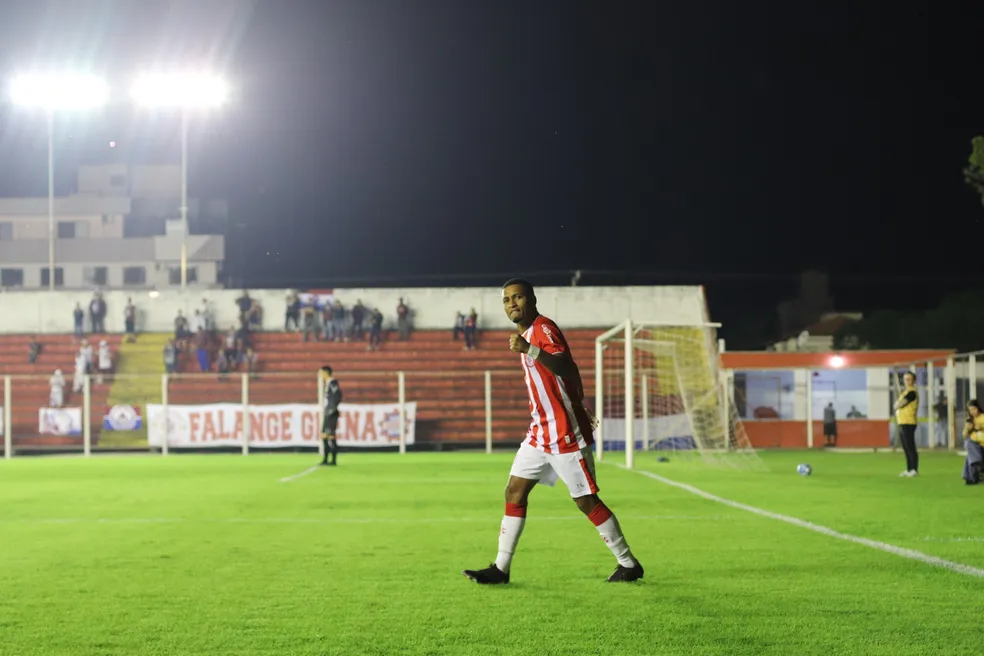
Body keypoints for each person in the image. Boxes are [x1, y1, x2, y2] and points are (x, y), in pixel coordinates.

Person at [462, 279, 643, 585]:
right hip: (539, 432)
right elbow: (569, 373)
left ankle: (628, 563)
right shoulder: (527, 335)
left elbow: (563, 364)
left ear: (532, 300)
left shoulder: (543, 329)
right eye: (506, 300)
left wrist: (530, 350)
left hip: (564, 434)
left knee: (586, 501)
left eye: (518, 297)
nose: (512, 304)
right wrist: (578, 400)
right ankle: (501, 569)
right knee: (514, 491)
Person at [894, 371, 919, 477]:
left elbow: (900, 404)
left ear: (913, 380)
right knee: (906, 447)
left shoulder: (912, 392)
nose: (907, 381)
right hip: (902, 422)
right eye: (905, 379)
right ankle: (909, 469)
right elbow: (897, 404)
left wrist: (897, 405)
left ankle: (914, 469)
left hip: (909, 422)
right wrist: (897, 404)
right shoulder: (905, 392)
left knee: (910, 447)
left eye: (909, 379)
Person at [319, 365, 343, 466]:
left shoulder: (333, 382)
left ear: (326, 373)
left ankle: (333, 460)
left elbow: (338, 395)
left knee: (331, 436)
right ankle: (325, 459)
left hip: (331, 413)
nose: (320, 375)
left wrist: (332, 408)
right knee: (324, 435)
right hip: (327, 412)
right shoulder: (328, 383)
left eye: (321, 373)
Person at [961, 400, 984, 485]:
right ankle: (975, 472)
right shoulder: (970, 421)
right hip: (976, 446)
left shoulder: (982, 418)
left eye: (974, 409)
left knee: (969, 449)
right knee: (969, 443)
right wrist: (968, 428)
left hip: (982, 445)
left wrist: (978, 427)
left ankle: (970, 477)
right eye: (970, 410)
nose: (972, 412)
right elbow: (964, 435)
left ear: (978, 408)